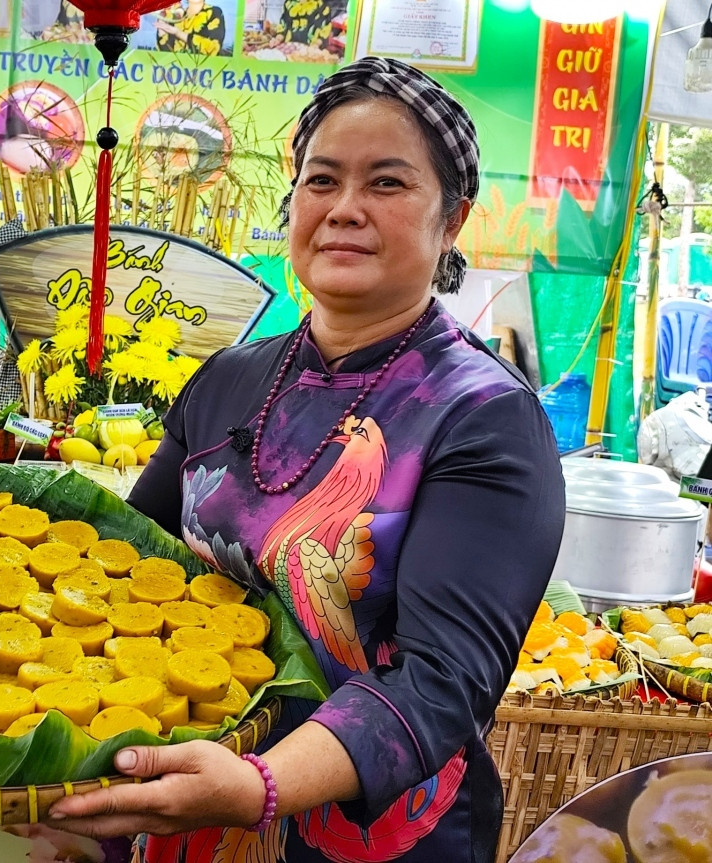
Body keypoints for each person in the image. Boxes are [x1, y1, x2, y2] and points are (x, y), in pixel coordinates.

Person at [46, 56, 567, 863]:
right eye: (321, 181)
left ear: (453, 218)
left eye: (387, 185)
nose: (344, 210)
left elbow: (442, 683)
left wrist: (260, 784)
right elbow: (122, 561)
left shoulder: (486, 418)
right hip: (177, 813)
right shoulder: (229, 380)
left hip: (368, 837)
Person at [155, 0, 227, 56]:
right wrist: (162, 31)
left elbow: (213, 48)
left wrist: (178, 33)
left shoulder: (214, 12)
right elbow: (165, 54)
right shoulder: (176, 17)